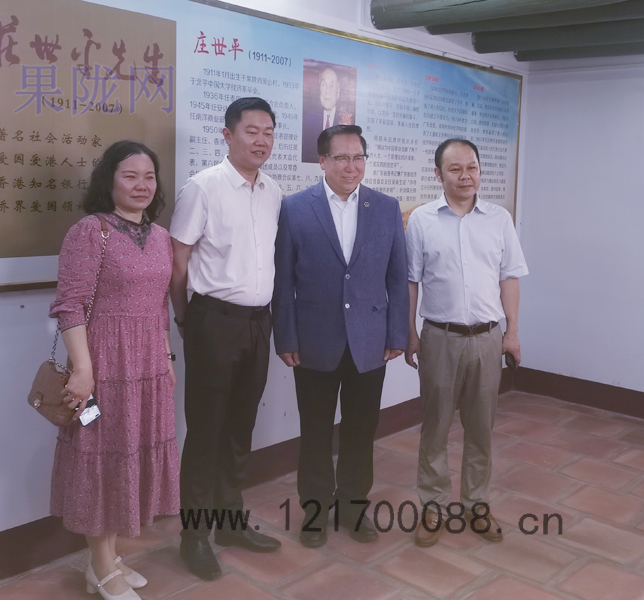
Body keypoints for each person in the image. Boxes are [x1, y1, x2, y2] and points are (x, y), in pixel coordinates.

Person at [49, 140, 179, 600]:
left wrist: (166, 358)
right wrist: (82, 369)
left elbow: (159, 306)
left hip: (148, 364)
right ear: (110, 180)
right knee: (100, 455)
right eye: (130, 176)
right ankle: (103, 567)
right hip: (102, 363)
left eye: (149, 176)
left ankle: (107, 559)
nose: (141, 185)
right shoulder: (90, 231)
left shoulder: (161, 236)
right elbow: (70, 305)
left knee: (130, 453)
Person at [273, 124, 408, 547]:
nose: (352, 167)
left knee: (360, 431)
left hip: (370, 341)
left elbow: (397, 276)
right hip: (314, 341)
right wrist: (286, 337)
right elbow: (283, 281)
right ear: (323, 161)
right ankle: (314, 513)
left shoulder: (386, 207)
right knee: (315, 431)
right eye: (342, 158)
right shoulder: (295, 208)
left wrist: (397, 333)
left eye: (359, 157)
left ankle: (353, 508)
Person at [169, 97, 282, 581]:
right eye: (251, 131)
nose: (261, 140)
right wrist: (185, 319)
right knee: (206, 433)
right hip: (213, 322)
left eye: (268, 132)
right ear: (228, 134)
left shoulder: (273, 191)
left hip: (259, 323)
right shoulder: (203, 188)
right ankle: (194, 537)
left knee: (240, 428)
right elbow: (177, 262)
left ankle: (230, 524)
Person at [405, 138, 528, 547]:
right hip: (440, 338)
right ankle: (433, 507)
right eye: (455, 169)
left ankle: (477, 505)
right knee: (435, 427)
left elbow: (509, 277)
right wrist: (409, 331)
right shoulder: (422, 220)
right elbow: (410, 281)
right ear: (438, 174)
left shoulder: (499, 219)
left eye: (471, 167)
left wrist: (512, 332)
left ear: (479, 170)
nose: (465, 176)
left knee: (481, 429)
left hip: (488, 338)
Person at [302, 67, 347, 163]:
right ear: (319, 89)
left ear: (338, 92)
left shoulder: (347, 122)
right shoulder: (308, 121)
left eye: (332, 86)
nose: (327, 91)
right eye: (324, 85)